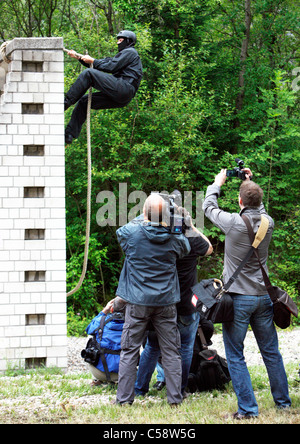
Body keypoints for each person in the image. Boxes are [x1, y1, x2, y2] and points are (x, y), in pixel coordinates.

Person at [202, 167, 291, 419]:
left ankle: (248, 410)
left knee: (236, 355)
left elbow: (208, 207)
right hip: (264, 297)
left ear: (239, 201)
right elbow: (257, 208)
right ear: (260, 201)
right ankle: (283, 403)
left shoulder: (232, 222)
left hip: (238, 299)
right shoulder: (268, 222)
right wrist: (249, 183)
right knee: (271, 352)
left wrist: (218, 182)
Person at [115, 193, 191, 406]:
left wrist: (145, 217)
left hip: (138, 302)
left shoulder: (131, 233)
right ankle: (175, 400)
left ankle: (124, 400)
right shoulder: (174, 237)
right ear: (165, 215)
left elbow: (120, 232)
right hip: (166, 302)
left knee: (129, 350)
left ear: (143, 213)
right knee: (171, 351)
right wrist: (168, 220)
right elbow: (185, 248)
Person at [135, 209, 213, 397]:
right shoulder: (190, 238)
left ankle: (139, 389)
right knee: (185, 346)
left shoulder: (157, 238)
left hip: (160, 301)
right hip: (186, 303)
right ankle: (179, 388)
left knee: (153, 347)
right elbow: (209, 248)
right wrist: (192, 227)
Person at [64, 30, 143, 144]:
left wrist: (93, 61)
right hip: (122, 98)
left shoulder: (131, 52)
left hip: (124, 87)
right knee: (84, 102)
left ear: (128, 41)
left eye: (120, 40)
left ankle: (64, 103)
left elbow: (110, 66)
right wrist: (78, 57)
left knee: (88, 74)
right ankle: (69, 134)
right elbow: (103, 63)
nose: (117, 43)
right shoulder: (123, 56)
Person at [84, 298, 125, 385]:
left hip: (99, 373)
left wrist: (104, 311)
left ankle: (97, 379)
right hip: (125, 374)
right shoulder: (133, 323)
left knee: (91, 337)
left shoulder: (101, 320)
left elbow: (88, 329)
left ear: (112, 309)